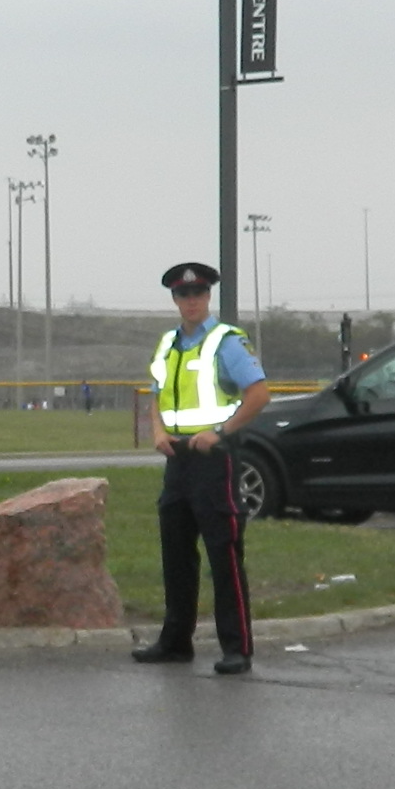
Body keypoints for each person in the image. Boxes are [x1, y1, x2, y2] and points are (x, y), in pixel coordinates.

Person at [133, 261, 272, 675]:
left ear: (207, 296)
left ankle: (237, 648)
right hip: (177, 459)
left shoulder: (226, 341)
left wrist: (220, 431)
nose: (190, 301)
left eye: (197, 294)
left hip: (215, 459)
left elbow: (259, 394)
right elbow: (156, 393)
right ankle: (176, 641)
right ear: (174, 299)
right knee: (176, 554)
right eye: (182, 295)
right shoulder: (168, 344)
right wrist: (157, 430)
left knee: (223, 553)